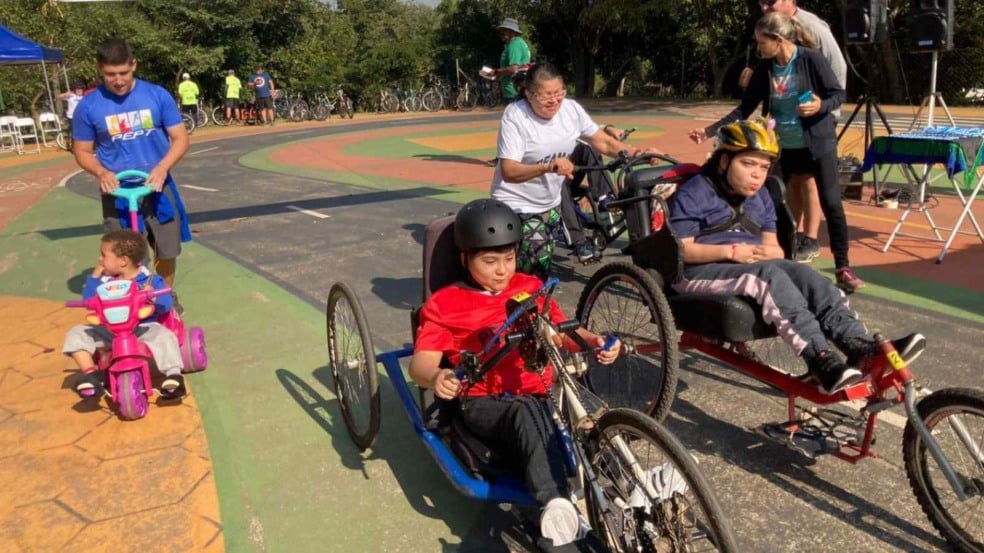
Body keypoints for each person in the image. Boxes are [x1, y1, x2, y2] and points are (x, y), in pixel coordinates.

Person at [409, 198, 620, 551]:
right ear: (465, 258)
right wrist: (436, 377)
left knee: (593, 415)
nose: (502, 270)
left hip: (542, 388)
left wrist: (593, 340)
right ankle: (556, 504)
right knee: (529, 411)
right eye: (489, 261)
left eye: (508, 258)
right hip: (485, 400)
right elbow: (420, 364)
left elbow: (560, 331)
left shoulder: (529, 286)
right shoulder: (446, 304)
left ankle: (633, 488)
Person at [668, 119, 925, 394]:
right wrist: (730, 252)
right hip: (698, 270)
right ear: (724, 161)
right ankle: (820, 359)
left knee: (804, 274)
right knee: (768, 277)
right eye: (748, 164)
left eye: (764, 167)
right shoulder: (694, 192)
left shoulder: (761, 197)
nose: (757, 175)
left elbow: (774, 248)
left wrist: (769, 252)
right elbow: (682, 250)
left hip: (747, 266)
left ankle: (859, 346)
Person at [688, 13, 865, 293]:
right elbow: (744, 109)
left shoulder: (810, 59)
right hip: (783, 148)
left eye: (762, 42)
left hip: (817, 144)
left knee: (832, 203)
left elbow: (838, 95)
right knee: (770, 201)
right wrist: (709, 131)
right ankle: (780, 258)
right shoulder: (766, 68)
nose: (759, 48)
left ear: (778, 40)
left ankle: (843, 267)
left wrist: (819, 106)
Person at [492, 63, 659, 278]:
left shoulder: (570, 109)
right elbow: (509, 171)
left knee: (539, 270)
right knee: (535, 267)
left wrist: (637, 153)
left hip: (550, 205)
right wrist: (548, 167)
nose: (554, 101)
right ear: (528, 93)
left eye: (559, 93)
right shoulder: (515, 116)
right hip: (517, 204)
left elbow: (604, 142)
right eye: (546, 96)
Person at [71, 37, 192, 302]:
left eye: (123, 72)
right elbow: (81, 151)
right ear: (99, 69)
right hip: (118, 192)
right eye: (110, 74)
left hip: (158, 186)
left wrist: (162, 167)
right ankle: (131, 304)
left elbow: (181, 138)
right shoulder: (88, 107)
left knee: (167, 249)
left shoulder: (156, 95)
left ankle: (162, 298)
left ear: (134, 65)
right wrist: (102, 172)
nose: (118, 80)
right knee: (125, 255)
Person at [64, 229, 186, 399]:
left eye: (104, 255)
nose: (99, 259)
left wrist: (152, 297)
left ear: (123, 261)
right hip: (111, 331)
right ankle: (92, 374)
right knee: (77, 333)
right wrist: (94, 277)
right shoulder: (105, 283)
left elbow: (166, 304)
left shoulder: (150, 280)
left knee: (164, 336)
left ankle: (173, 375)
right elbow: (89, 301)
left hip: (142, 328)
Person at [483, 18, 531, 104]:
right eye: (502, 30)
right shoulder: (516, 44)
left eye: (505, 30)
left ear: (512, 31)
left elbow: (513, 69)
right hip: (515, 91)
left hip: (514, 93)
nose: (503, 33)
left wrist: (496, 72)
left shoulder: (514, 45)